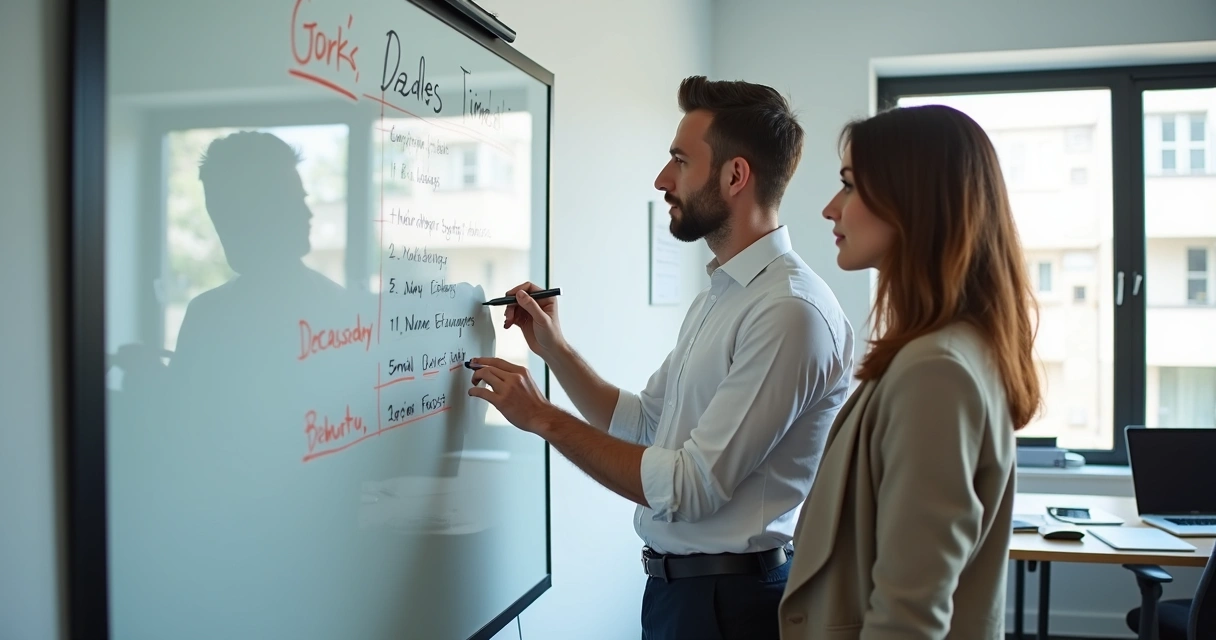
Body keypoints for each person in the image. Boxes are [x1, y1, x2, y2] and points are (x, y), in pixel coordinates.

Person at [465, 75, 854, 639]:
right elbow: (645, 422)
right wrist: (557, 349)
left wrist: (542, 418)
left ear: (735, 175)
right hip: (682, 594)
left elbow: (691, 485)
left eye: (679, 161)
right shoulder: (725, 295)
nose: (661, 179)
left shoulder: (788, 312)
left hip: (730, 606)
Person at [777, 104, 1042, 640]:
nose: (831, 209)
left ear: (911, 202)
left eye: (849, 186)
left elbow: (908, 618)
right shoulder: (947, 352)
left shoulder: (935, 371)